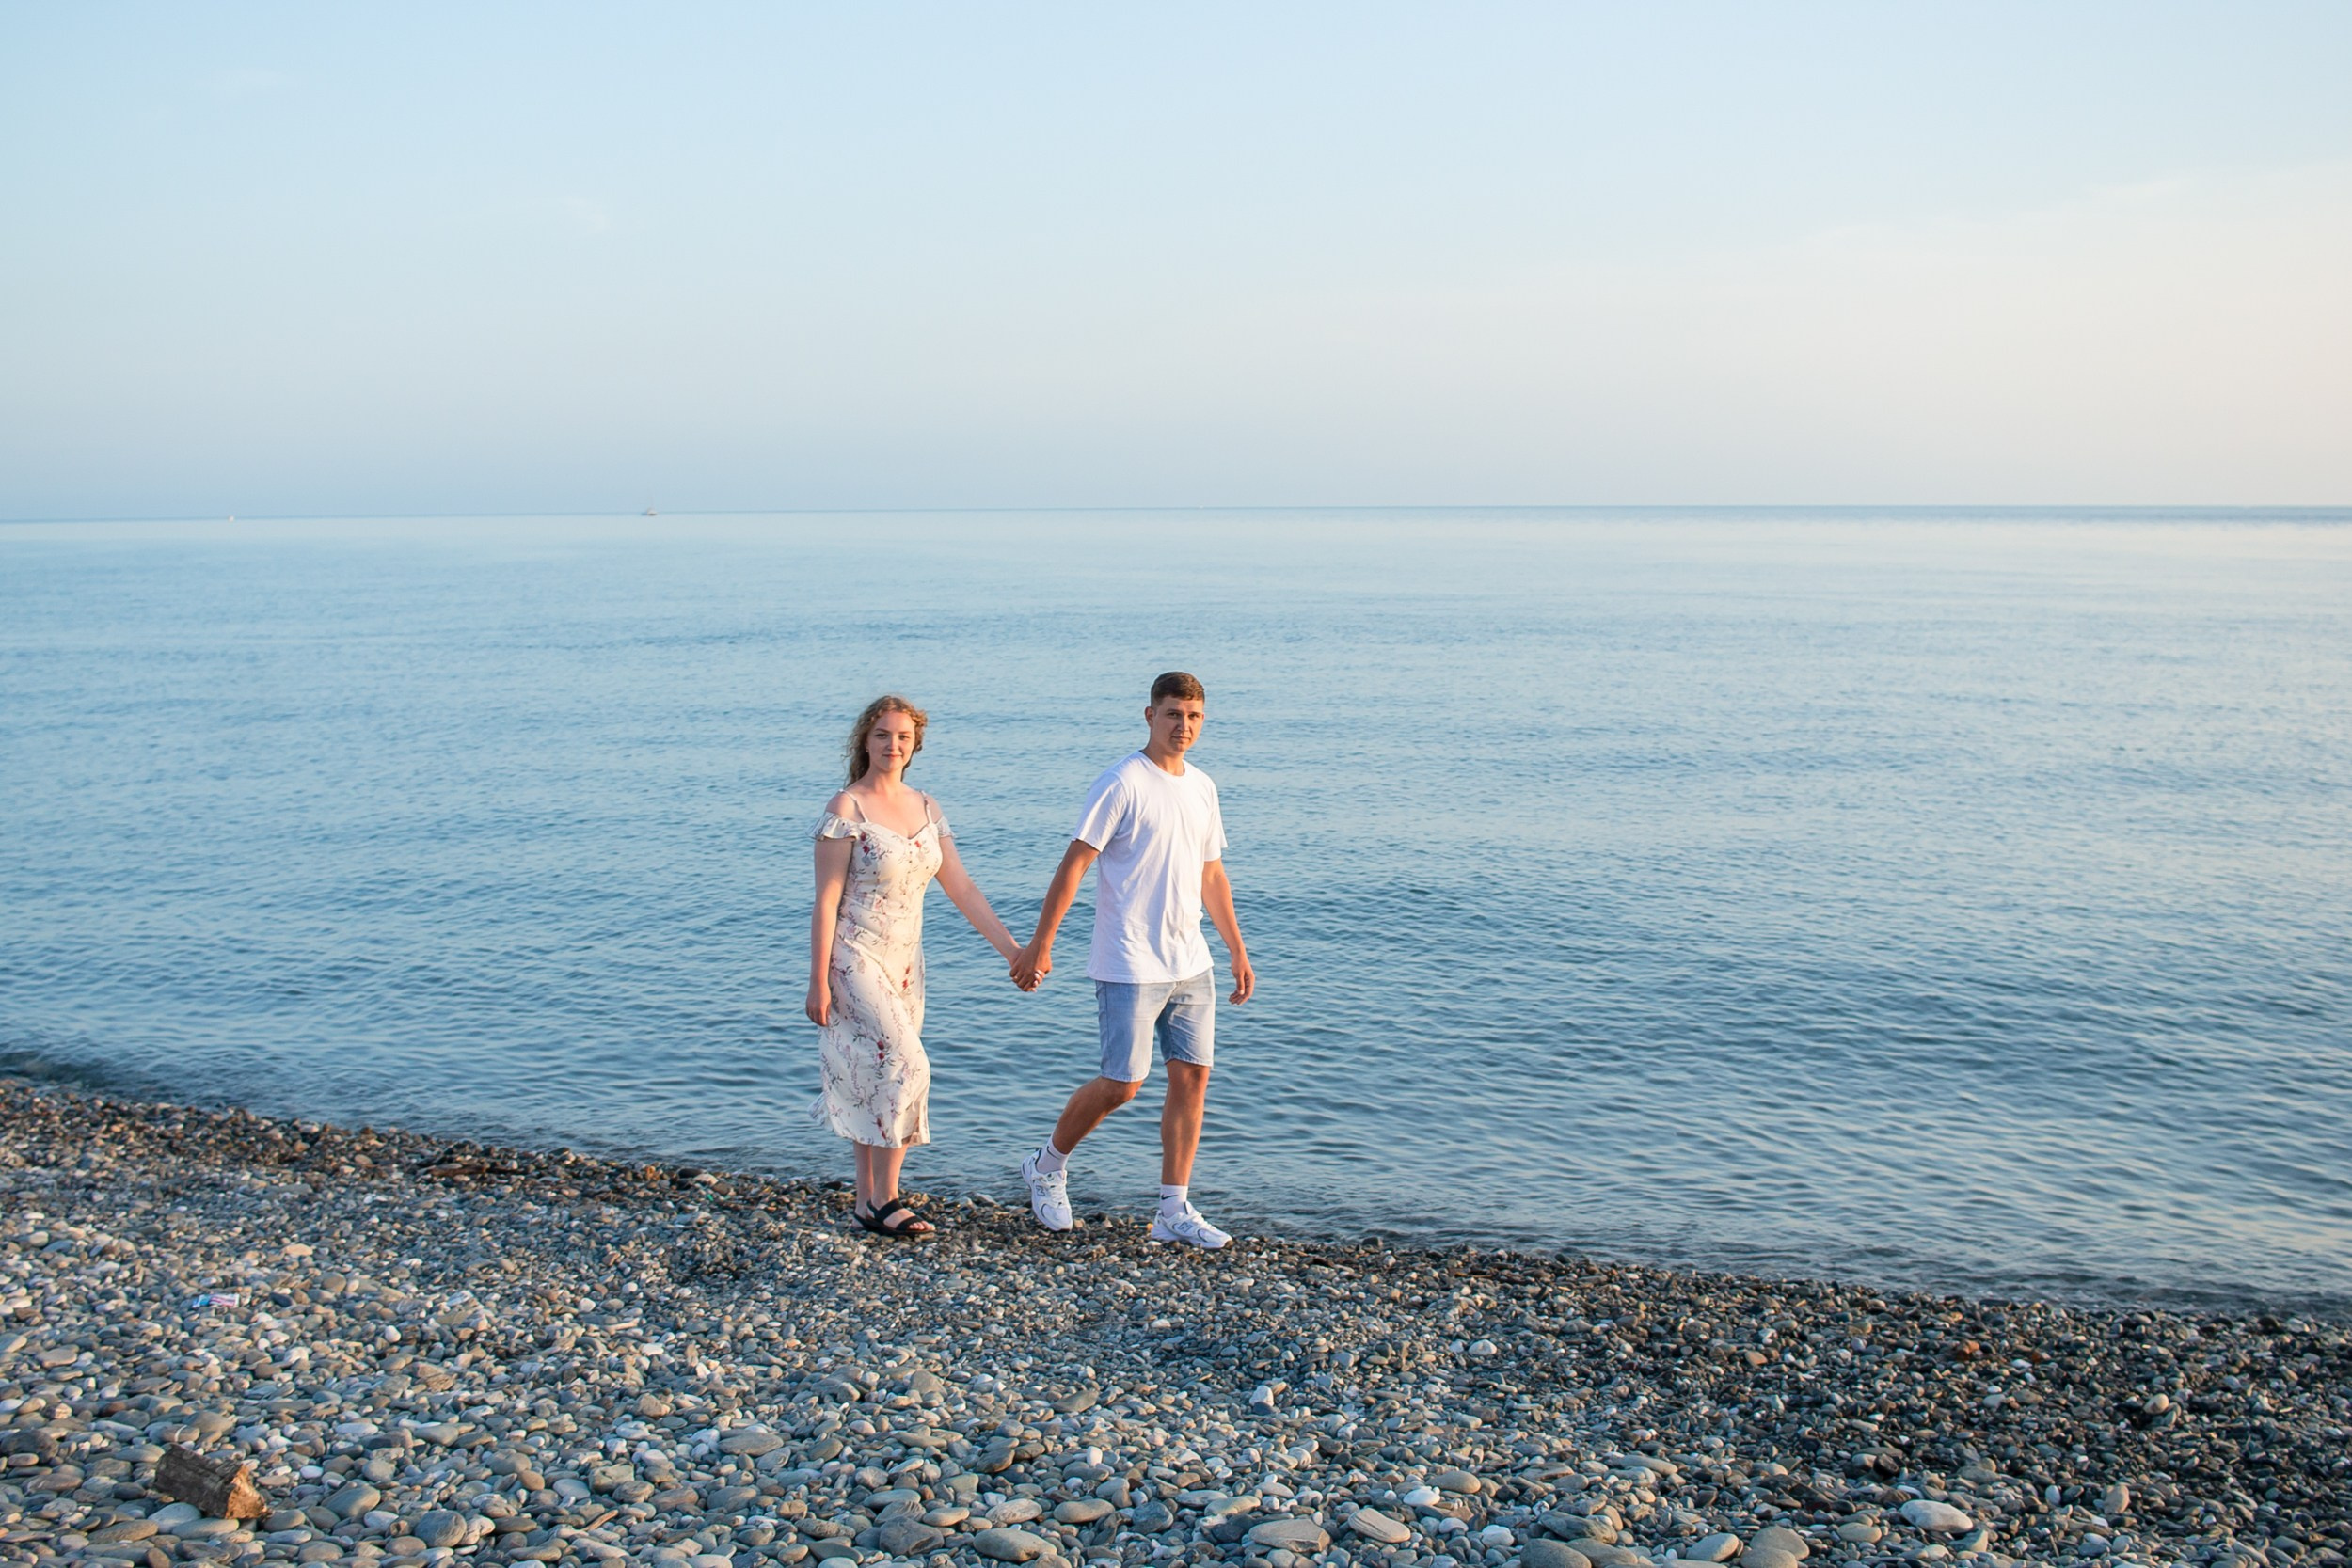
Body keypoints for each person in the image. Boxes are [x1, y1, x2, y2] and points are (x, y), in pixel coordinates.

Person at [1010, 672, 1254, 1248]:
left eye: (1193, 716)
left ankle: (1173, 1209)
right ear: (1150, 716)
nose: (1183, 726)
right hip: (1128, 960)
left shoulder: (1203, 787)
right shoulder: (1122, 782)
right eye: (1173, 714)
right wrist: (1042, 943)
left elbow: (1211, 874)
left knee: (1192, 1077)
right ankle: (1046, 1166)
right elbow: (1075, 863)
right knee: (1123, 1083)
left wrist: (1236, 949)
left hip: (1190, 961)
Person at [808, 694, 1026, 1236]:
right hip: (854, 956)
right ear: (866, 741)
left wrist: (1013, 951)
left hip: (905, 961)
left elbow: (962, 887)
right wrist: (817, 982)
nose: (893, 745)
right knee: (907, 1064)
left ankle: (866, 1202)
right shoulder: (847, 808)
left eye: (903, 737)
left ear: (915, 745)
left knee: (874, 1070)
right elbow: (826, 901)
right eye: (883, 735)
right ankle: (888, 1198)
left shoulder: (927, 807)